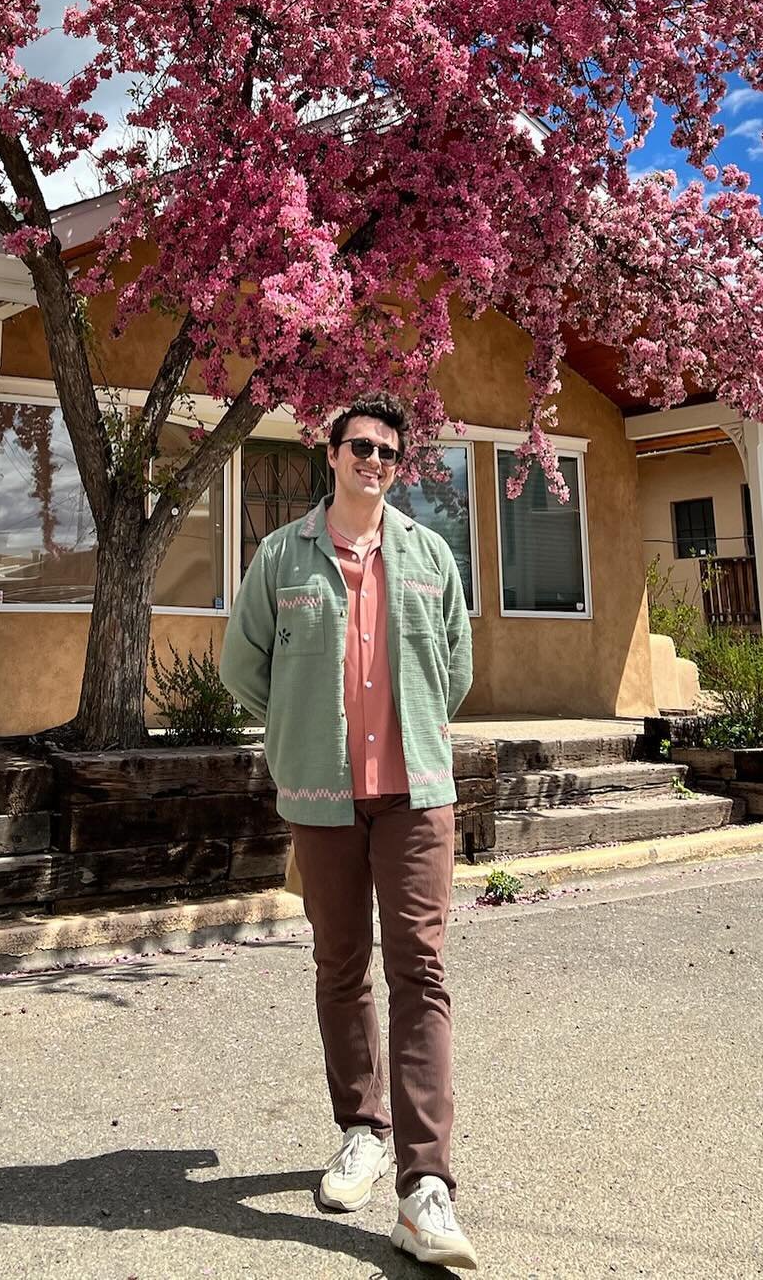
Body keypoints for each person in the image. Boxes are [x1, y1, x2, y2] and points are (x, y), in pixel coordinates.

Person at [221, 396, 478, 1271]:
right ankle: (360, 1129)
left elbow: (455, 666)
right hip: (321, 796)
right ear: (331, 455)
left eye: (388, 451)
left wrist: (410, 732)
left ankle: (425, 1185)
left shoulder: (430, 553)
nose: (374, 460)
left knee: (421, 970)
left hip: (416, 797)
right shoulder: (280, 555)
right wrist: (299, 729)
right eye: (360, 446)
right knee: (340, 966)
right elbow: (241, 665)